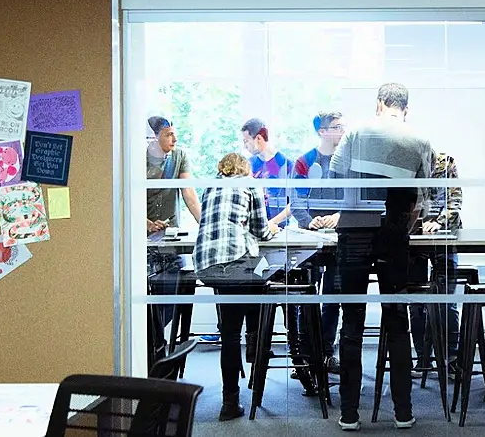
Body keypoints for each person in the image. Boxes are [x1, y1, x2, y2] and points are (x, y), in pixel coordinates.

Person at [330, 83, 433, 431]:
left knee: (352, 323)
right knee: (396, 320)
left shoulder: (357, 132)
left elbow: (334, 179)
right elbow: (422, 198)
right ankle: (402, 412)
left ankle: (348, 414)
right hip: (393, 235)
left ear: (379, 104)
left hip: (354, 233)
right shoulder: (418, 139)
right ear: (405, 107)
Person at [192, 153, 274, 421]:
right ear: (245, 169)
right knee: (263, 276)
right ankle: (254, 339)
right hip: (234, 265)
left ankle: (230, 403)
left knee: (228, 335)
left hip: (206, 267)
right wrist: (273, 228)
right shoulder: (250, 183)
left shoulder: (210, 185)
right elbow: (261, 230)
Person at [291, 111, 346, 375]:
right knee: (307, 296)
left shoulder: (347, 162)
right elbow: (297, 198)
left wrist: (338, 216)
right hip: (310, 238)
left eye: (342, 125)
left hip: (338, 238)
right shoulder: (305, 162)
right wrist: (308, 221)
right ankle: (305, 355)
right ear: (322, 132)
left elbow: (353, 198)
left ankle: (326, 352)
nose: (342, 130)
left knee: (333, 296)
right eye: (337, 127)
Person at [145, 116, 202, 362]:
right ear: (153, 137)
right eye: (168, 134)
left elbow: (188, 193)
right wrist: (144, 224)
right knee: (147, 298)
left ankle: (154, 343)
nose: (174, 139)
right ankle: (151, 347)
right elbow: (125, 195)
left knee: (173, 292)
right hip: (142, 240)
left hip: (170, 238)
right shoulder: (135, 157)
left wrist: (207, 225)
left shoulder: (179, 156)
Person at [409, 151, 462, 378]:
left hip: (445, 237)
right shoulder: (406, 163)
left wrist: (438, 222)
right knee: (416, 300)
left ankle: (451, 358)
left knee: (445, 300)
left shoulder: (446, 162)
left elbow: (455, 202)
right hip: (414, 239)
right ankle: (422, 358)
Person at [241, 118, 293, 231]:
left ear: (259, 138)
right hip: (253, 229)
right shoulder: (248, 165)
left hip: (280, 231)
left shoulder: (285, 164)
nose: (245, 146)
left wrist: (272, 223)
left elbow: (294, 203)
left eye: (246, 141)